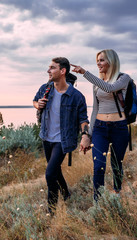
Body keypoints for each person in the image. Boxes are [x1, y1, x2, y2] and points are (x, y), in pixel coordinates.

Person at [71, 49, 132, 201]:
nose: (98, 63)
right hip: (100, 128)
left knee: (117, 165)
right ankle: (98, 202)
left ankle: (117, 194)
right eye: (97, 60)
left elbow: (110, 88)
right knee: (99, 166)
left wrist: (85, 73)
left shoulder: (123, 78)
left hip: (119, 128)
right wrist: (88, 135)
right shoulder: (96, 84)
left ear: (111, 61)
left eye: (102, 60)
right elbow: (95, 109)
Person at [33, 57, 90, 214]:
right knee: (56, 170)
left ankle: (52, 211)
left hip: (62, 140)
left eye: (52, 68)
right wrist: (39, 104)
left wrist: (85, 135)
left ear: (63, 71)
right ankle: (66, 194)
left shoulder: (76, 96)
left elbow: (83, 119)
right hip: (46, 137)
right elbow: (34, 101)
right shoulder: (45, 88)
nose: (48, 71)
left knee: (50, 173)